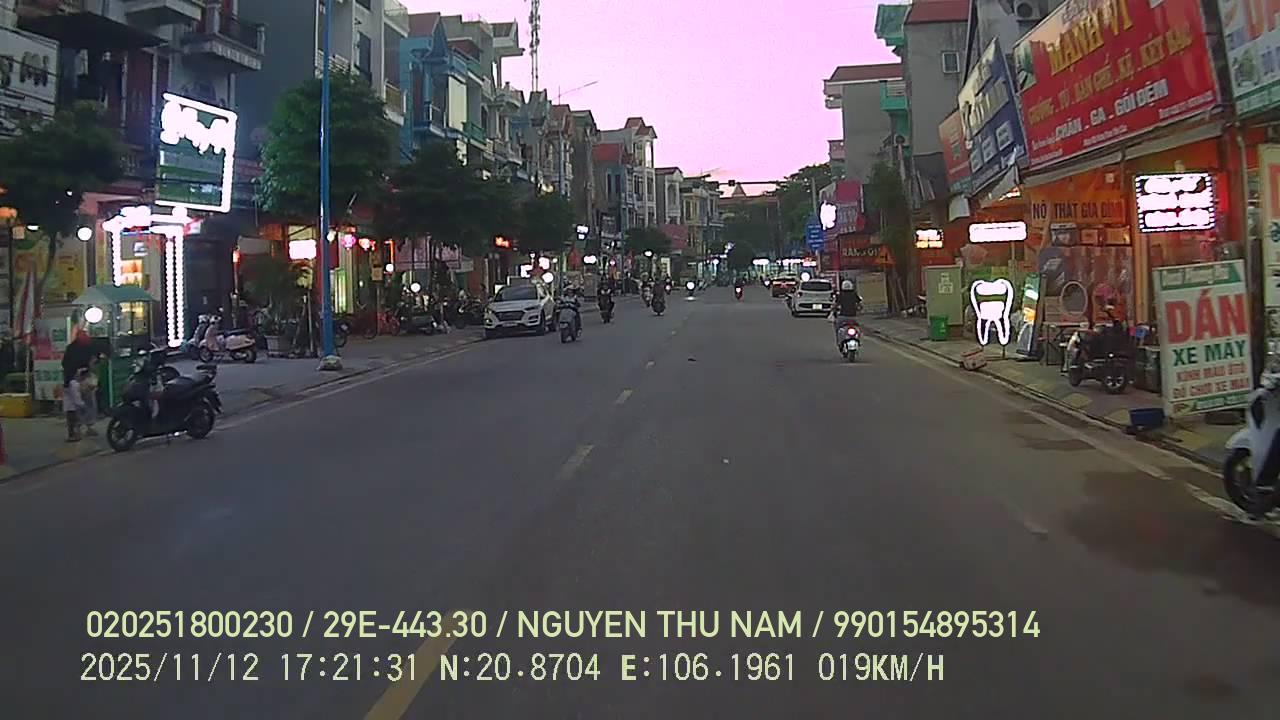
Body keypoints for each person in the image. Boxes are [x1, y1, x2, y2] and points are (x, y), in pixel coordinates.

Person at [63, 367, 88, 442]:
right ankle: (74, 436)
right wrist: (82, 405)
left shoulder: (67, 384)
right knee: (74, 422)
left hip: (67, 406)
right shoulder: (74, 384)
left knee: (70, 422)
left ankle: (71, 435)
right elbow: (76, 397)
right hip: (73, 407)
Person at [79, 355, 101, 437]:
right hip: (84, 389)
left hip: (88, 390)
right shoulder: (84, 369)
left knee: (90, 408)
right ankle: (81, 428)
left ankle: (88, 428)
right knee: (83, 408)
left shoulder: (93, 372)